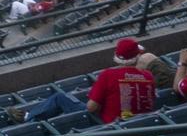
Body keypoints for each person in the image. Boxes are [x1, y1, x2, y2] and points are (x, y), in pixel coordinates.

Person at [10, 37, 160, 123]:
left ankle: (28, 117)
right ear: (137, 56)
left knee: (60, 98)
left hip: (110, 124)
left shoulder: (108, 75)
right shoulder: (148, 76)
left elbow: (91, 108)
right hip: (138, 123)